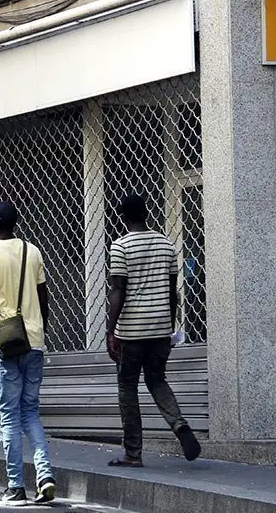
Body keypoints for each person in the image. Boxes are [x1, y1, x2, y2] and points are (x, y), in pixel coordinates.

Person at [0, 201, 56, 503]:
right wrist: (40, 333)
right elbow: (44, 300)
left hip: (3, 345)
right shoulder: (33, 251)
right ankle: (44, 476)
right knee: (31, 411)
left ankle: (16, 486)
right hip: (34, 342)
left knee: (8, 417)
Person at [105, 194, 202, 467]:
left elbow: (118, 290)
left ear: (123, 216)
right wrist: (169, 326)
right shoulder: (166, 244)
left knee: (127, 387)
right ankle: (180, 426)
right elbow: (172, 291)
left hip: (132, 332)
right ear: (146, 213)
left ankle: (133, 454)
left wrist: (111, 330)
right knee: (157, 380)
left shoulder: (120, 246)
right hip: (160, 329)